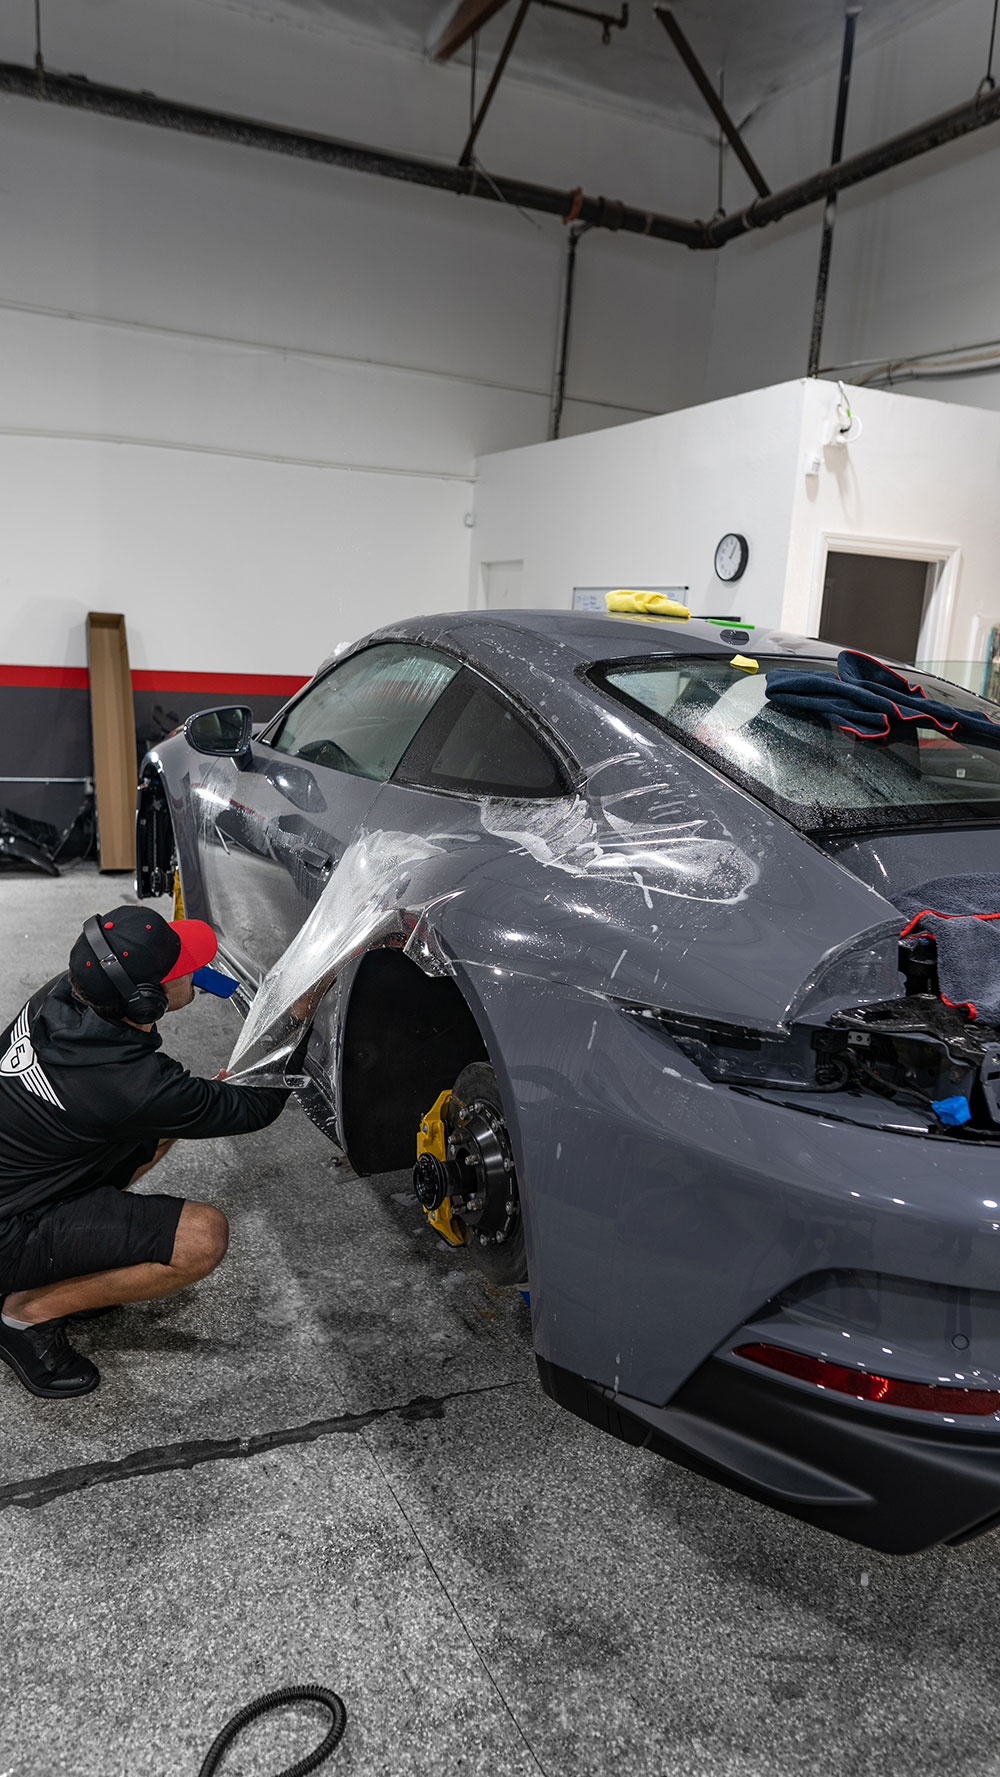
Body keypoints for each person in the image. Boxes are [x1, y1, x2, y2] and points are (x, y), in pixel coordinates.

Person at [0, 905, 288, 1400]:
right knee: (202, 1237)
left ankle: (59, 1266)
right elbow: (256, 1109)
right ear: (146, 1000)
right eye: (182, 970)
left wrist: (191, 1103)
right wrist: (295, 1014)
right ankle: (24, 1314)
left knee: (156, 1130)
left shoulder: (68, 993)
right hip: (10, 1228)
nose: (195, 971)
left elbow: (151, 1105)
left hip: (22, 1182)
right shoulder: (131, 1084)